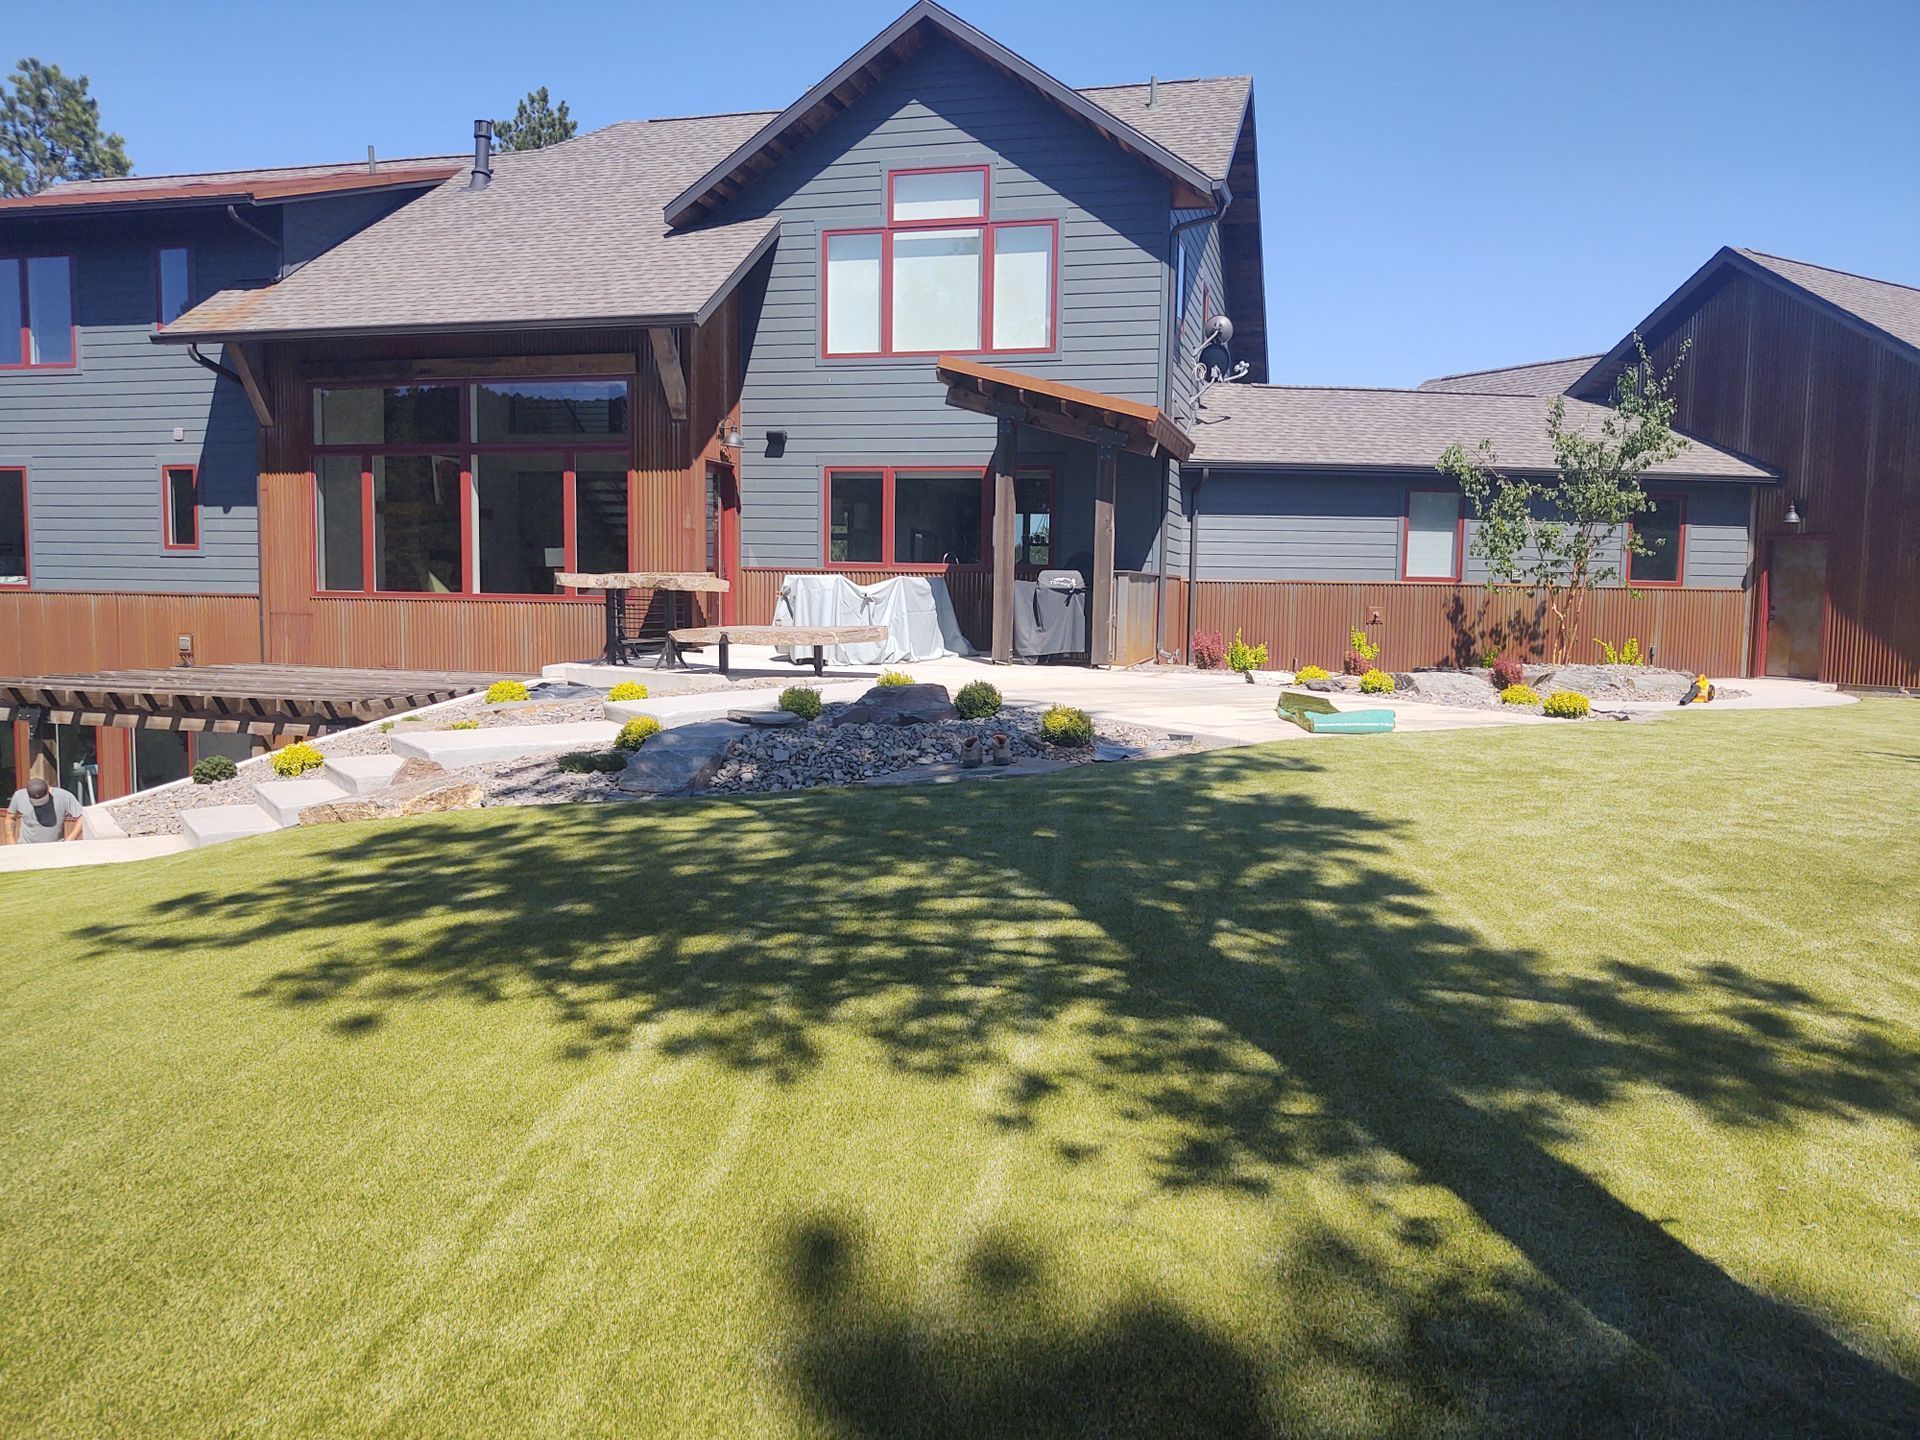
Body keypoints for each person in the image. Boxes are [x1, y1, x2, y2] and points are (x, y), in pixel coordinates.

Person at [4, 778, 85, 844]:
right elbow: (10, 817)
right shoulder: (19, 796)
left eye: (42, 800)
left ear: (48, 790)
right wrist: (10, 841)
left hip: (54, 848)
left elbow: (82, 816)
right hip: (26, 847)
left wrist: (70, 839)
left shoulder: (64, 797)